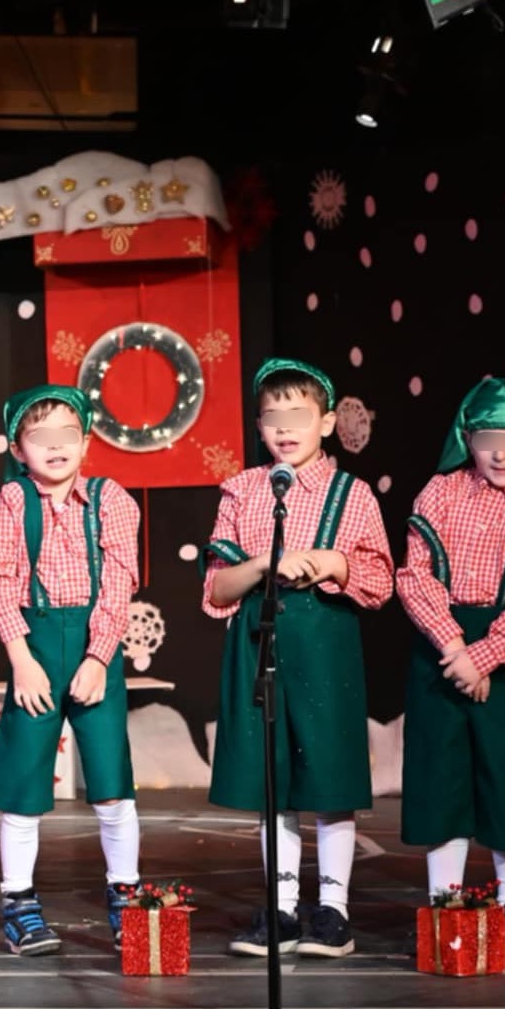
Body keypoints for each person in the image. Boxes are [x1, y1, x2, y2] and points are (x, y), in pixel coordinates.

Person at [205, 358, 393, 960]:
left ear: (327, 422)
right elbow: (217, 588)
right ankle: (281, 906)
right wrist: (263, 563)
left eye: (299, 416)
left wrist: (335, 563)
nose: (285, 429)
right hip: (260, 642)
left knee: (330, 777)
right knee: (274, 779)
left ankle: (333, 910)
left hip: (324, 644)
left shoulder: (352, 494)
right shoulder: (243, 490)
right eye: (272, 418)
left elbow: (380, 582)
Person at [397, 377, 505, 958]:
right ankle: (445, 896)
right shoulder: (440, 492)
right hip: (442, 645)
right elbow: (415, 575)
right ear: (467, 438)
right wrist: (454, 645)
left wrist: (484, 655)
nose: (501, 454)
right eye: (488, 440)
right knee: (442, 773)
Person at [0, 385, 144, 954]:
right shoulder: (9, 504)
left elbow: (118, 584)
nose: (55, 446)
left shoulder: (110, 500)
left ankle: (126, 894)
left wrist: (99, 658)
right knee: (24, 784)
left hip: (96, 650)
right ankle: (19, 903)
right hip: (36, 649)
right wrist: (22, 661)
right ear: (17, 448)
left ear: (86, 442)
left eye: (67, 435)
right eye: (39, 436)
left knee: (112, 785)